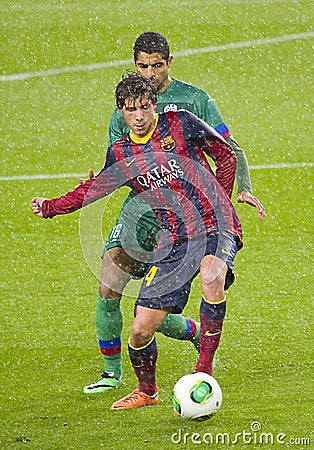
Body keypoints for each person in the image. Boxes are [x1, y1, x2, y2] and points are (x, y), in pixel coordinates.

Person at [32, 72, 242, 410]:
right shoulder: (121, 153)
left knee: (211, 275)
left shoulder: (182, 123)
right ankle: (147, 391)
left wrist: (223, 201)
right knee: (141, 331)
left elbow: (226, 154)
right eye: (132, 110)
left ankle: (203, 371)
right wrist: (51, 207)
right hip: (174, 240)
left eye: (145, 107)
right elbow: (94, 189)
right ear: (121, 112)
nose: (140, 116)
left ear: (154, 104)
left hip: (214, 226)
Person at [81, 32, 264, 395]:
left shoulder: (193, 100)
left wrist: (239, 188)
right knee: (109, 282)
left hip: (189, 215)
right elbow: (117, 158)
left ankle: (191, 335)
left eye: (156, 65)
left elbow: (228, 147)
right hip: (143, 209)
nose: (149, 73)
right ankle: (111, 373)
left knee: (154, 303)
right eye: (142, 66)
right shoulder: (129, 104)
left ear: (169, 62)